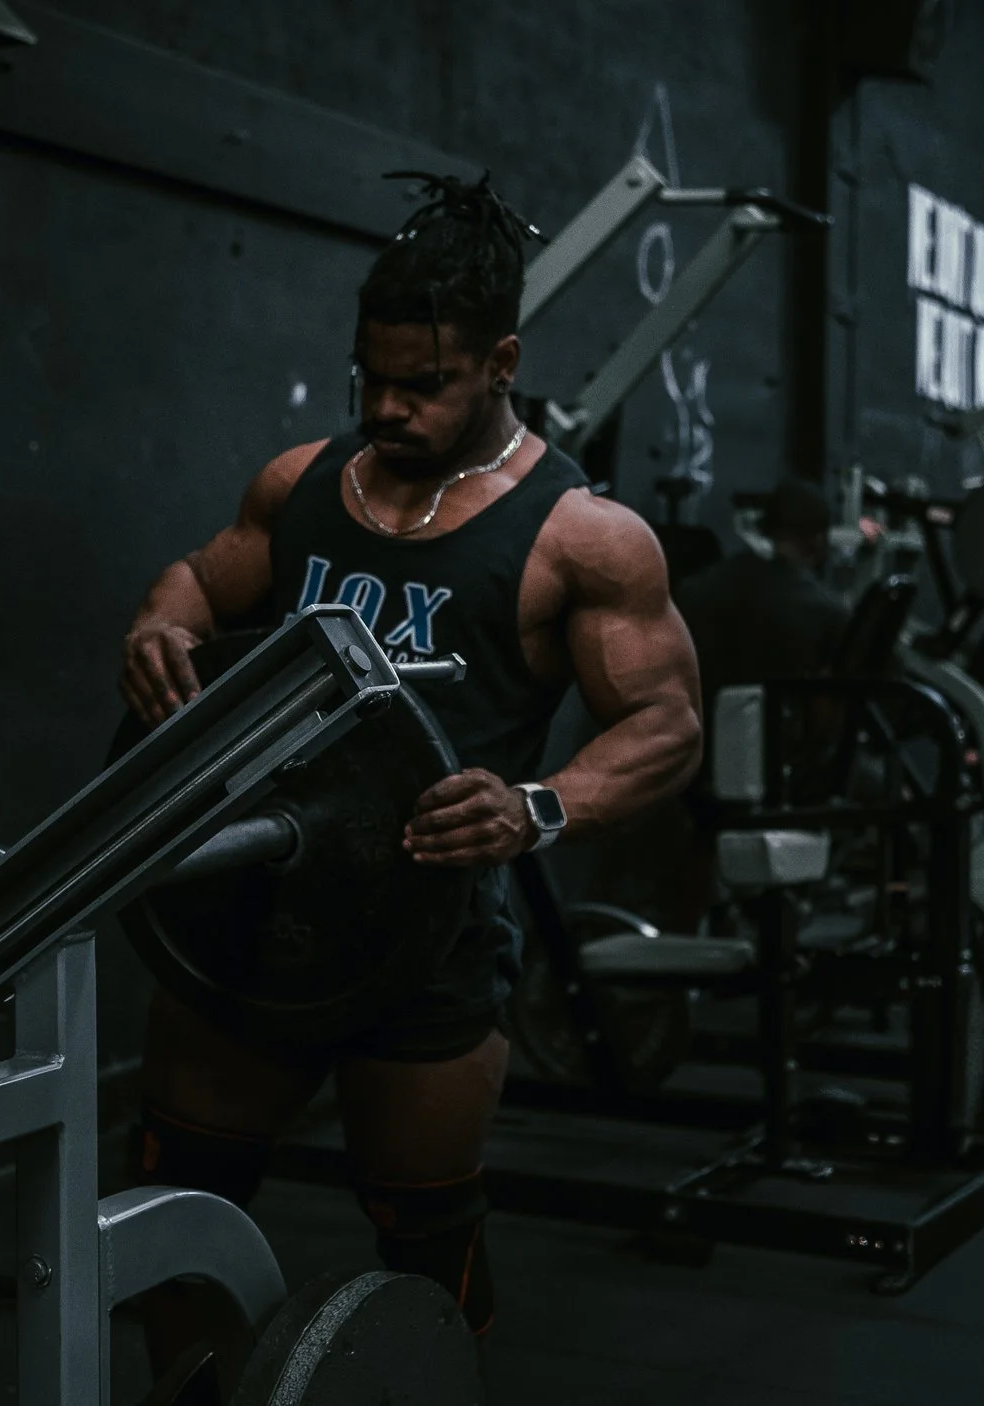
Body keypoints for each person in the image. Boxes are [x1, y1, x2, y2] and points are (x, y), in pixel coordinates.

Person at [115, 173, 702, 1365]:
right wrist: (157, 627)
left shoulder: (581, 536)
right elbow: (194, 577)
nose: (388, 407)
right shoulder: (299, 485)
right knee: (179, 1205)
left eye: (423, 384)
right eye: (370, 378)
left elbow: (666, 725)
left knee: (426, 1242)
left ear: (501, 360)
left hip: (422, 940)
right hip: (249, 905)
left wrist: (536, 805)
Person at [675, 479, 852, 710]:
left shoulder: (696, 590)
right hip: (779, 740)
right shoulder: (826, 612)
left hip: (698, 734)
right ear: (818, 541)